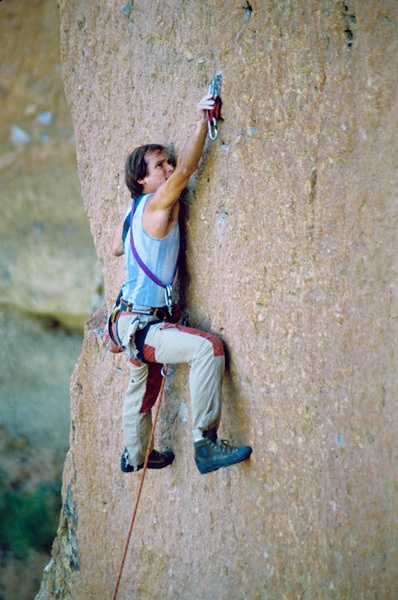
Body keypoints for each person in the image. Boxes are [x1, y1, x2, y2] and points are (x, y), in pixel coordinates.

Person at [111, 91, 252, 475]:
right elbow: (189, 171)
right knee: (208, 349)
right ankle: (205, 444)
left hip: (129, 322)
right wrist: (201, 121)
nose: (170, 169)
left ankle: (136, 456)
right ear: (142, 180)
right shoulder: (155, 204)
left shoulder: (132, 212)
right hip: (146, 324)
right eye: (160, 166)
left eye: (168, 162)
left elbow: (118, 249)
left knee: (142, 385)